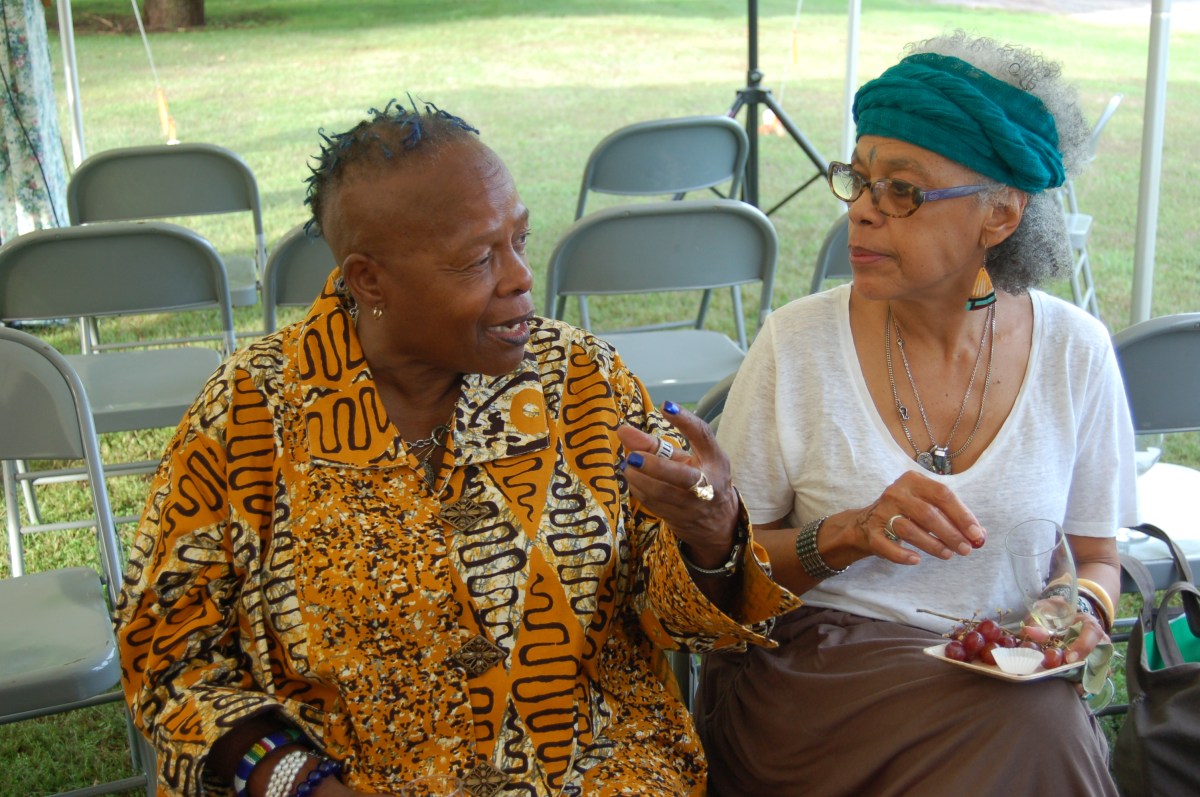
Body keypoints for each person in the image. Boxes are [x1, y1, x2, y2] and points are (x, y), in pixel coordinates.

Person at [114, 100, 800, 797]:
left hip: (592, 774)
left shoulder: (582, 379)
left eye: (519, 239)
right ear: (369, 279)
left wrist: (711, 535)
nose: (520, 276)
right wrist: (300, 781)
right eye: (477, 259)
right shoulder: (250, 414)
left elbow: (676, 619)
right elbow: (167, 657)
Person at [696, 31, 1136, 797]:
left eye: (901, 191)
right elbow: (725, 576)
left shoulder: (1076, 351)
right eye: (859, 180)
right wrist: (848, 533)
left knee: (1036, 722)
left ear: (1000, 215)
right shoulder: (797, 343)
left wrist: (1071, 614)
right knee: (1039, 733)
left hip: (999, 671)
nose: (863, 214)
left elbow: (1098, 554)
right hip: (816, 676)